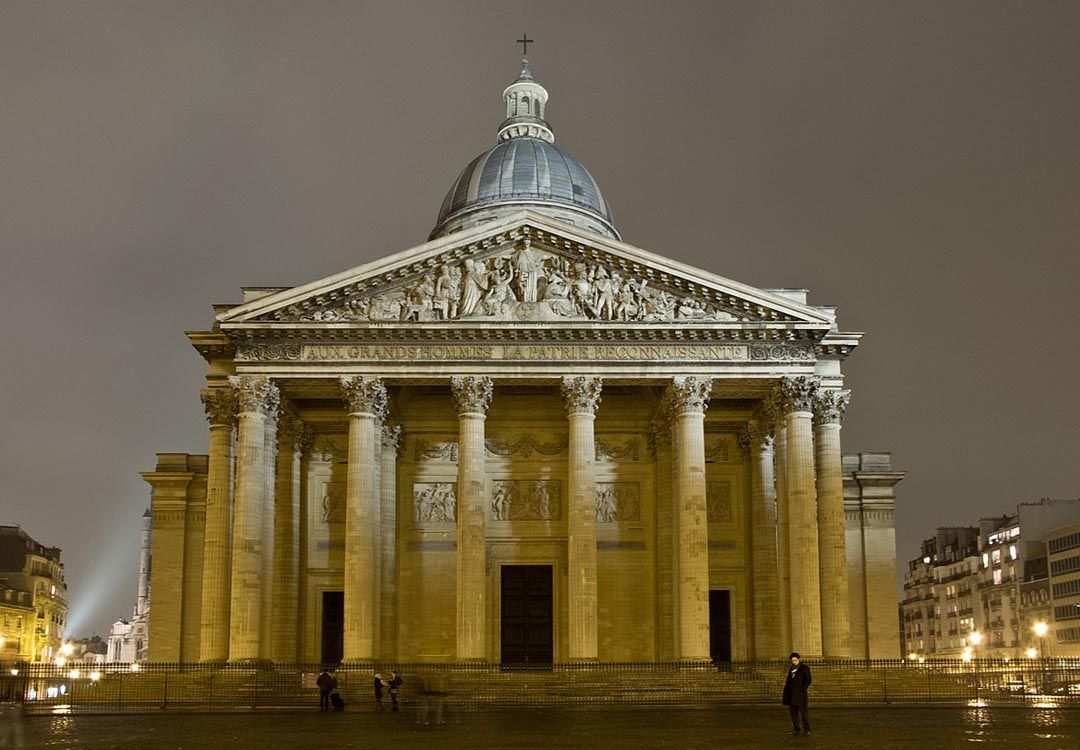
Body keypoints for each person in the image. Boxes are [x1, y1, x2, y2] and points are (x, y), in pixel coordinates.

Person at [781, 652, 812, 736]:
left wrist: (802, 690)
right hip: (792, 695)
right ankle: (796, 729)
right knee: (793, 714)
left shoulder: (804, 668)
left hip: (801, 695)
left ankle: (807, 730)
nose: (794, 662)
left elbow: (808, 680)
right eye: (793, 660)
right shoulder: (791, 669)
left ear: (799, 659)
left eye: (795, 660)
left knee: (803, 713)